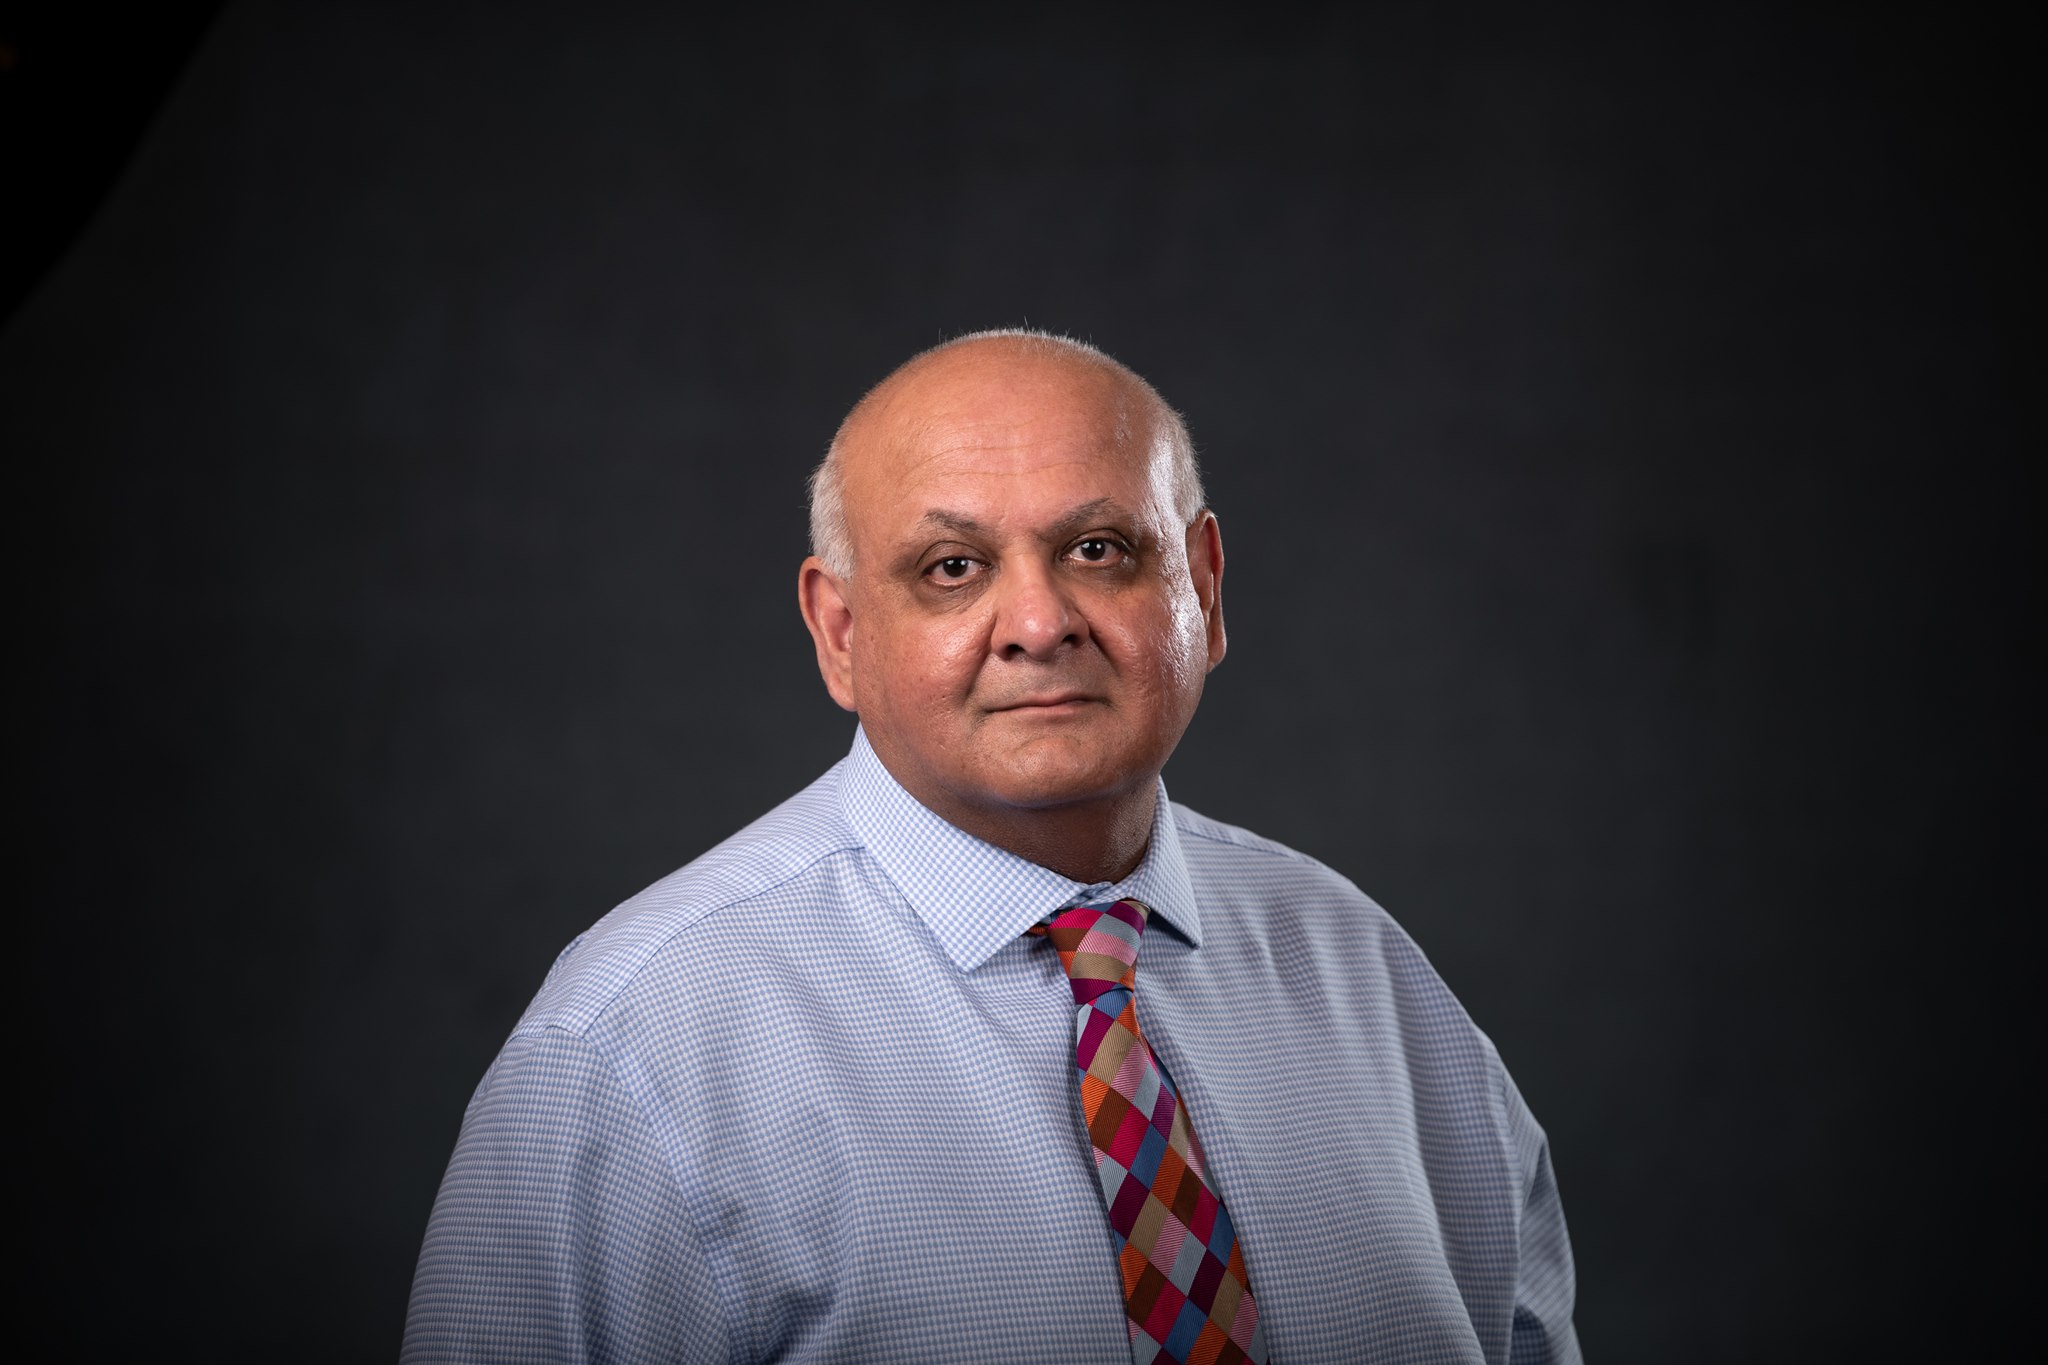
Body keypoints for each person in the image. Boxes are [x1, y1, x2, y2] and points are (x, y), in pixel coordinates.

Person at [403, 330, 1580, 1364]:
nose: (1038, 622)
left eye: (1099, 549)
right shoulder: (628, 1051)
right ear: (839, 632)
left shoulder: (1369, 980)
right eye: (951, 569)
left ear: (1203, 588)